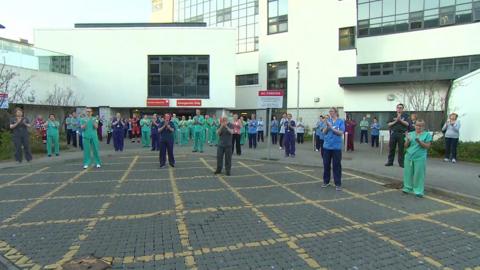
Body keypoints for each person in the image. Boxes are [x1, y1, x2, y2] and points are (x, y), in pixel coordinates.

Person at [403, 119, 432, 198]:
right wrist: (408, 140)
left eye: (421, 126)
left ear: (423, 127)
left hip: (420, 157)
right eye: (417, 125)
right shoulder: (410, 134)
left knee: (418, 174)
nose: (419, 127)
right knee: (407, 173)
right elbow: (405, 146)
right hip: (409, 156)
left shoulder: (427, 135)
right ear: (414, 125)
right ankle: (407, 188)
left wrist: (420, 142)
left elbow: (427, 146)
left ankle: (418, 190)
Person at [322, 107, 345, 191]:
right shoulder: (328, 121)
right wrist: (328, 127)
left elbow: (341, 133)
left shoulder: (340, 121)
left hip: (336, 147)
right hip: (327, 146)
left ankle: (338, 183)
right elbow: (324, 132)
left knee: (336, 166)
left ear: (336, 112)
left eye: (331, 111)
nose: (330, 113)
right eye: (329, 111)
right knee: (326, 164)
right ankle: (326, 181)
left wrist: (332, 128)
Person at [386, 103, 410, 168]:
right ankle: (390, 162)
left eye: (401, 108)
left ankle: (401, 163)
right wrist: (396, 120)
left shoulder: (406, 115)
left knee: (401, 149)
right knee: (391, 148)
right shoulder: (392, 115)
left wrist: (400, 120)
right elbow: (389, 124)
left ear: (402, 109)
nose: (399, 109)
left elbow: (407, 124)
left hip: (401, 134)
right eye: (398, 107)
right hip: (393, 133)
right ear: (396, 108)